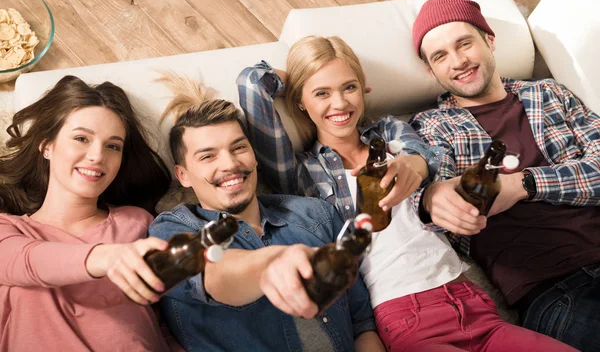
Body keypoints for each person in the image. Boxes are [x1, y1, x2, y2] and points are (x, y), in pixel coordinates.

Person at [237, 36, 575, 352]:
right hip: (406, 314)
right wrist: (292, 78)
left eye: (349, 87)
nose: (339, 103)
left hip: (469, 298)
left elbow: (426, 157)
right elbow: (251, 83)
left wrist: (411, 167)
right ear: (300, 102)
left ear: (363, 89)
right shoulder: (299, 172)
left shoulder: (389, 129)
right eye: (321, 93)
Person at [410, 0, 600, 351]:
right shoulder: (433, 126)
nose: (457, 61)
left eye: (464, 43)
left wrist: (523, 184)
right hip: (556, 290)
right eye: (440, 56)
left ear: (490, 41)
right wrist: (437, 199)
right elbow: (438, 198)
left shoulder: (548, 93)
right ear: (430, 70)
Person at [147, 73, 384, 351]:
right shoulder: (172, 230)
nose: (231, 164)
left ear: (254, 155)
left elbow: (362, 325)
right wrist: (274, 261)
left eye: (239, 148)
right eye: (208, 156)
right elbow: (212, 274)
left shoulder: (316, 214)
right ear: (183, 175)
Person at [0, 75, 175, 351]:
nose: (97, 156)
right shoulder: (8, 230)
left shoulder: (138, 222)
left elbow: (165, 318)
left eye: (113, 146)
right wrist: (110, 256)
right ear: (47, 146)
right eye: (82, 138)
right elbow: (28, 261)